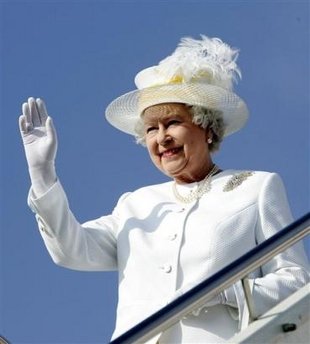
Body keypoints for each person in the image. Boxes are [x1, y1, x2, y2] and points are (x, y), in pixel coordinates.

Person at [19, 35, 309, 343]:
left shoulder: (256, 187)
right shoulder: (136, 204)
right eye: (151, 130)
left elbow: (297, 281)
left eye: (172, 122)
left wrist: (226, 291)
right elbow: (70, 250)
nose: (162, 138)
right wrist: (42, 173)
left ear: (207, 128)